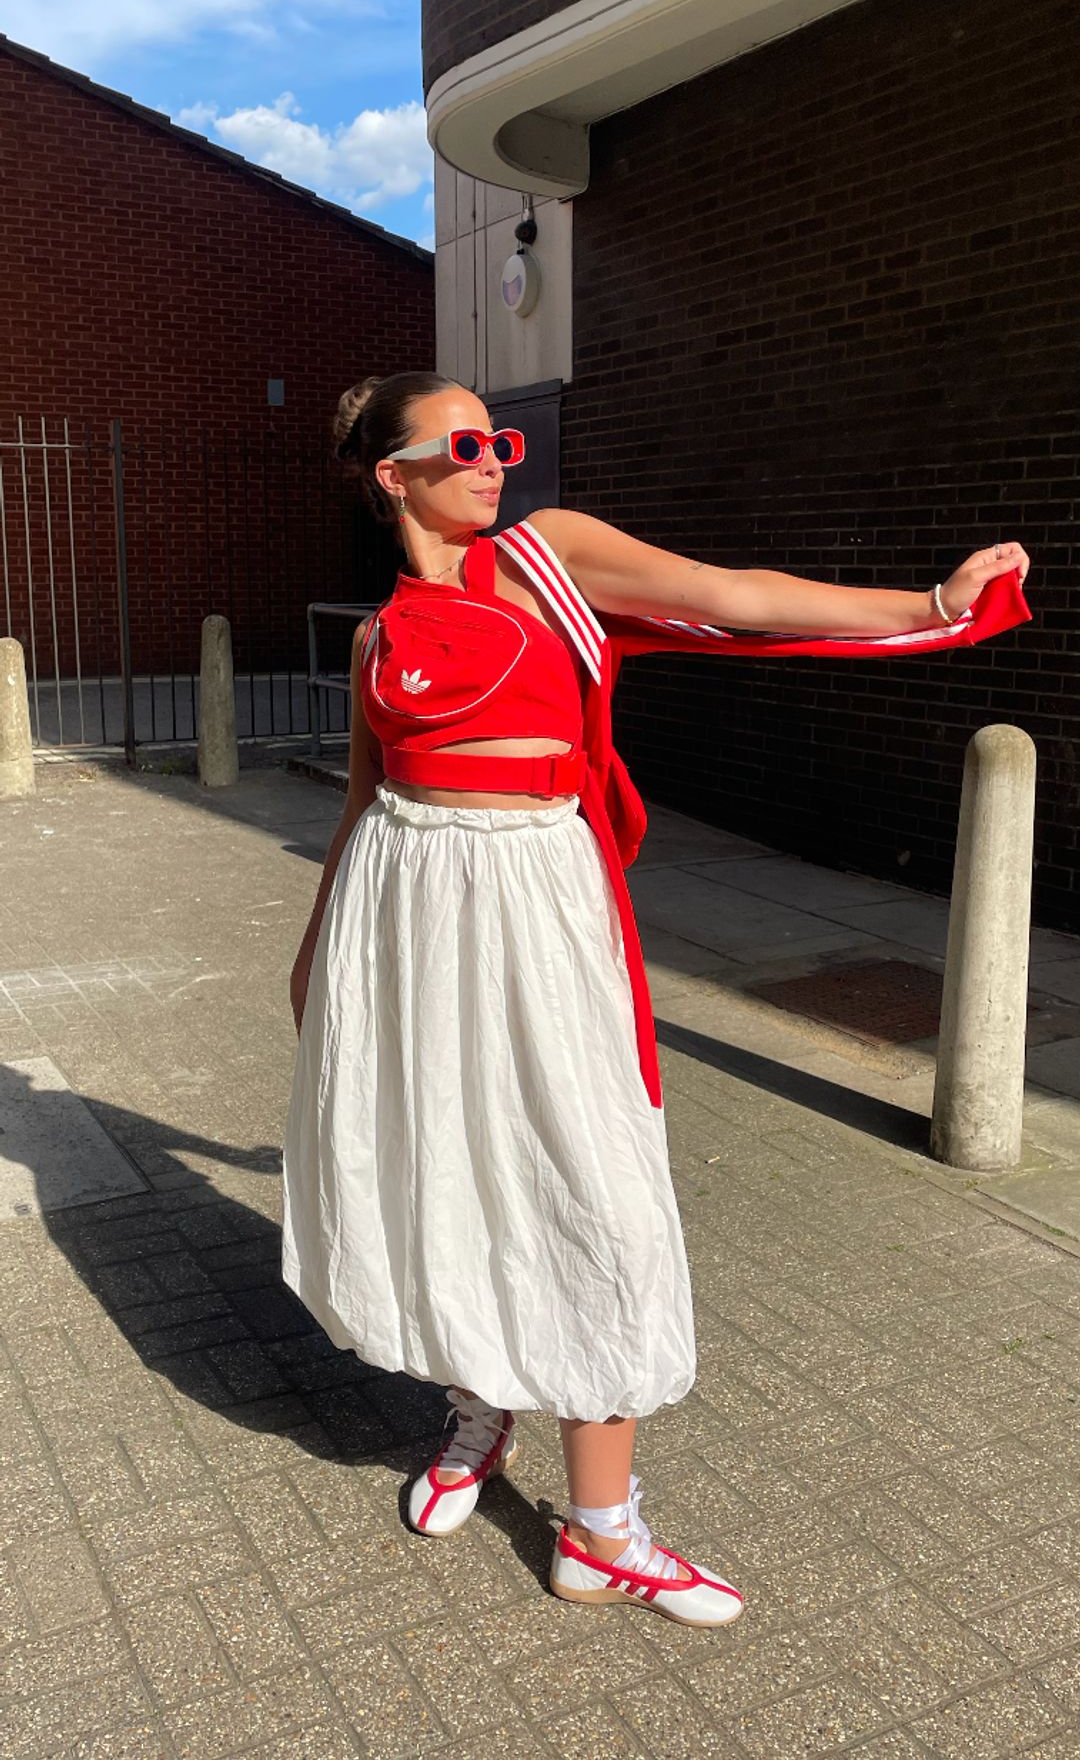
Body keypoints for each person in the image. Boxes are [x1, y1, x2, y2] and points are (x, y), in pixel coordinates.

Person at [281, 370, 1031, 1628]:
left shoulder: (547, 560)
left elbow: (730, 596)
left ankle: (605, 1530)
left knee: (590, 1181)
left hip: (539, 904)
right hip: (400, 914)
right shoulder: (376, 639)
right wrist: (316, 953)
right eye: (465, 443)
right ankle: (477, 1408)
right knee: (436, 1165)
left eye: (501, 439)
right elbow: (362, 806)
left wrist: (931, 602)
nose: (496, 459)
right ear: (392, 475)